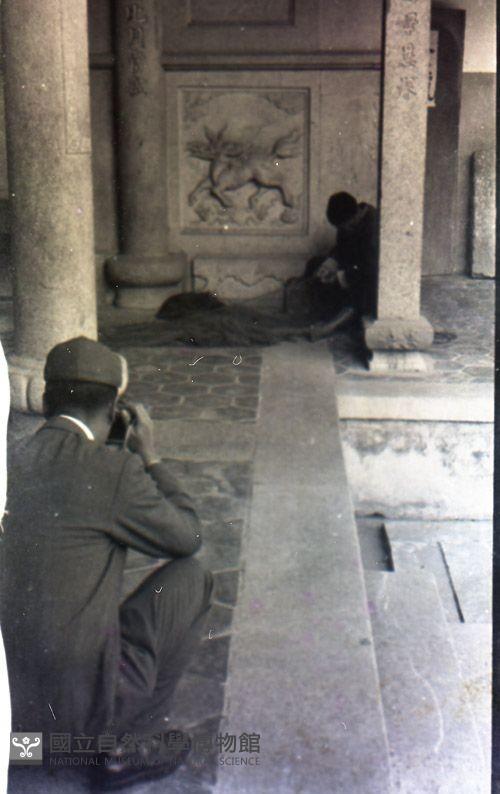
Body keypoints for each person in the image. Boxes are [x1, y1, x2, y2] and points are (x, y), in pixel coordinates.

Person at [0, 336, 213, 788]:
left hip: (13, 732)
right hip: (76, 725)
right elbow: (188, 537)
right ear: (115, 410)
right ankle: (124, 748)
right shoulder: (112, 470)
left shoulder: (9, 460)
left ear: (45, 401)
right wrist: (149, 456)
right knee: (190, 579)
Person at [286, 192, 379, 331]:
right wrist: (330, 263)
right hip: (352, 267)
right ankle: (322, 313)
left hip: (369, 275)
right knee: (314, 264)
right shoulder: (348, 220)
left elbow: (371, 267)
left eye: (344, 227)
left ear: (354, 217)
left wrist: (341, 276)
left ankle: (333, 324)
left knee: (361, 285)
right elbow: (341, 248)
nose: (342, 230)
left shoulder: (375, 225)